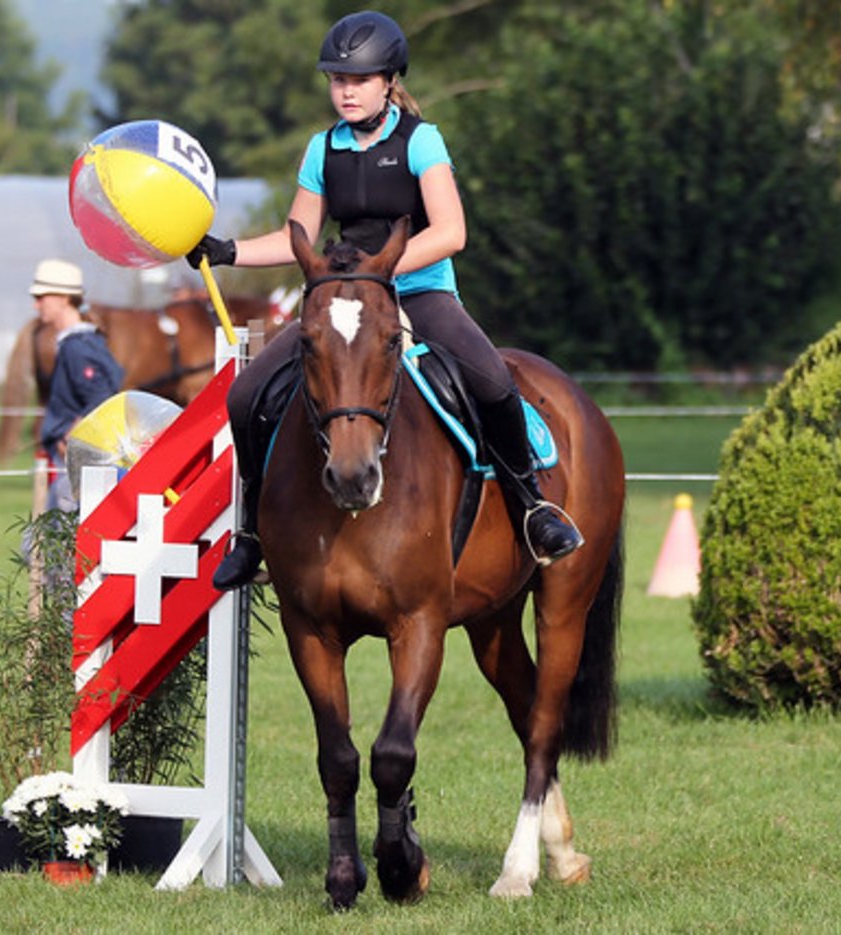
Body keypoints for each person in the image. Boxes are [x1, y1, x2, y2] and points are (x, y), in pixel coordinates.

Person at [188, 10, 583, 590]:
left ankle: (533, 509)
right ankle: (250, 534)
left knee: (495, 383)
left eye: (359, 80)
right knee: (247, 395)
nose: (346, 91)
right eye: (337, 80)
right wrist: (226, 250)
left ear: (389, 80)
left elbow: (451, 232)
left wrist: (382, 272)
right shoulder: (322, 148)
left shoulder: (422, 140)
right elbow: (296, 235)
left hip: (420, 292)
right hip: (343, 302)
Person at [30, 258, 124, 512]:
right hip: (70, 460)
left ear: (63, 298)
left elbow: (102, 396)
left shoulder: (78, 347)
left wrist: (74, 436)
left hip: (73, 462)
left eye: (42, 297)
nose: (36, 305)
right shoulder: (79, 342)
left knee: (46, 541)